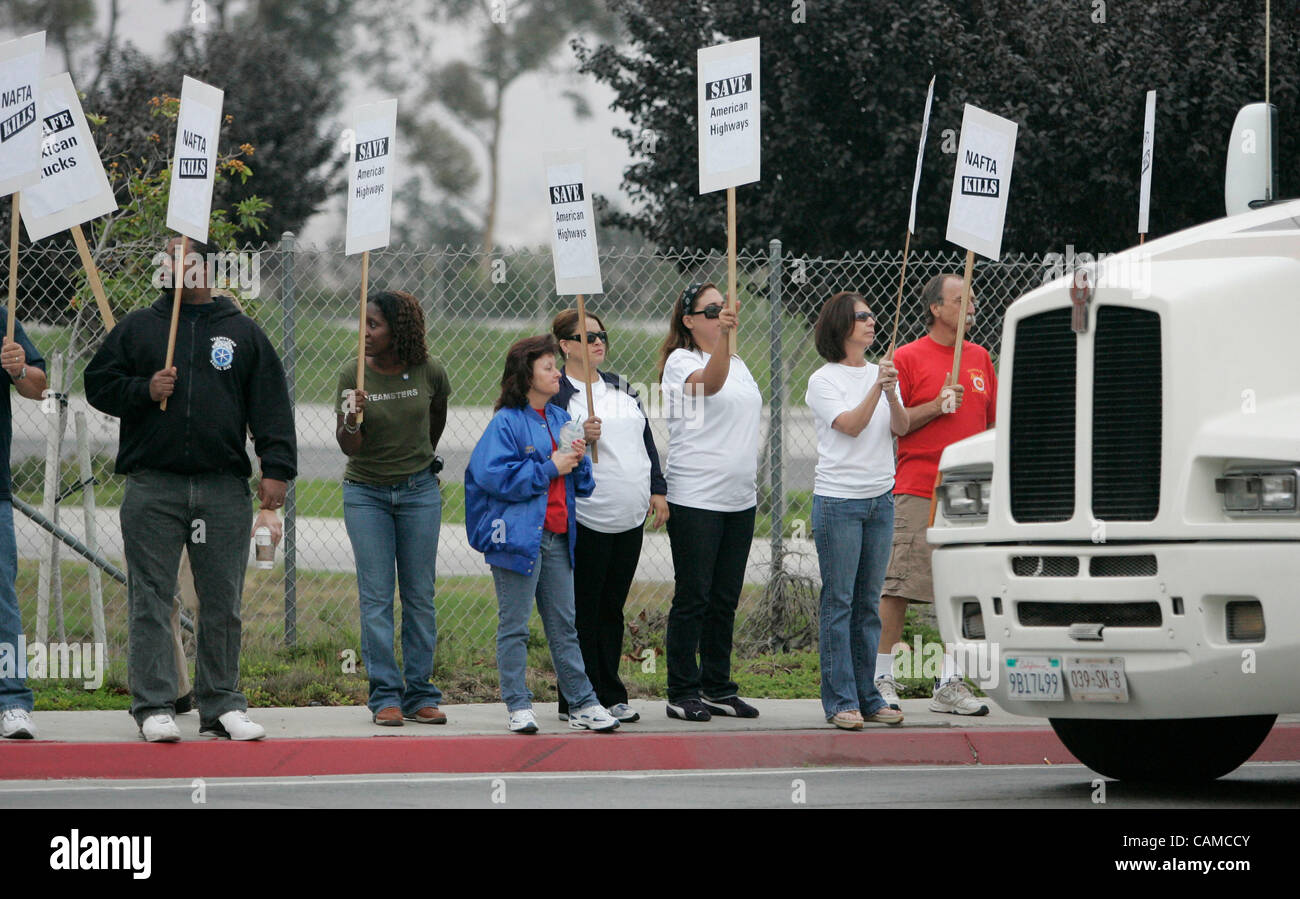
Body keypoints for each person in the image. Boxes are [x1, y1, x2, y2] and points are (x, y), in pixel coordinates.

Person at [85, 236, 297, 742]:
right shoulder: (139, 328)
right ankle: (154, 706)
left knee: (221, 600)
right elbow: (98, 383)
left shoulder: (242, 333)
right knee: (152, 597)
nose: (177, 266)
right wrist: (144, 390)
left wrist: (277, 468)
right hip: (152, 486)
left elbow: (271, 405)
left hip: (222, 488)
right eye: (168, 258)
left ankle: (222, 705)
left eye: (187, 258)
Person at [465, 335, 619, 734]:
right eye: (548, 367)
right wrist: (550, 467)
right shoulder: (506, 423)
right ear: (526, 375)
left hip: (557, 536)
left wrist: (580, 459)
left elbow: (580, 486)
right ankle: (518, 704)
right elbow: (493, 477)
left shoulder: (558, 419)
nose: (556, 373)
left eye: (555, 366)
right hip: (518, 540)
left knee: (564, 625)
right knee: (515, 625)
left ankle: (583, 703)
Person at [877, 273, 996, 715]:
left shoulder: (982, 357)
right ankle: (882, 676)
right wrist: (937, 404)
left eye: (973, 298)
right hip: (918, 487)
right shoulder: (907, 358)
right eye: (961, 299)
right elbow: (898, 424)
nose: (972, 306)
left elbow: (993, 424)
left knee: (964, 589)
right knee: (900, 584)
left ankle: (949, 681)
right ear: (936, 308)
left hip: (970, 493)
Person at [336, 289, 450, 726]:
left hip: (419, 492)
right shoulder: (353, 374)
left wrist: (419, 460)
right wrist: (353, 418)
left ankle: (420, 693)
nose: (364, 332)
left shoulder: (429, 371)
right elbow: (350, 446)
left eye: (374, 325)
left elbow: (434, 421)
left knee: (420, 597)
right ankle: (385, 694)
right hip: (366, 494)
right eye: (363, 323)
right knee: (377, 598)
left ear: (397, 330)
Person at [549, 308, 668, 724]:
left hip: (629, 515)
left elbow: (645, 440)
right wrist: (581, 435)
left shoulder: (620, 388)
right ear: (565, 345)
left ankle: (610, 690)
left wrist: (657, 488)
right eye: (588, 336)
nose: (599, 342)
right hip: (587, 517)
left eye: (602, 335)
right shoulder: (559, 394)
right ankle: (577, 697)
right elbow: (550, 445)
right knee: (584, 607)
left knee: (612, 607)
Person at [657, 282, 762, 721]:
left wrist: (727, 342)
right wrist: (726, 339)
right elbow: (709, 387)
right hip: (697, 497)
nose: (720, 314)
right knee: (694, 596)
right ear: (688, 320)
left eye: (724, 308)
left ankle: (718, 685)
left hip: (739, 499)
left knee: (725, 597)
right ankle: (682, 690)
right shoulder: (681, 362)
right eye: (711, 309)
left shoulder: (737, 362)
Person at [806, 292, 909, 729]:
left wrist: (890, 392)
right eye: (862, 316)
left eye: (871, 314)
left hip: (880, 499)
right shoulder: (823, 380)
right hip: (839, 503)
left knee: (869, 603)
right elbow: (850, 426)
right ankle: (840, 700)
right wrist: (876, 389)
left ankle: (868, 695)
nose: (871, 322)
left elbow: (901, 428)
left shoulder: (882, 374)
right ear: (841, 326)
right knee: (840, 602)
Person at [0, 316, 49, 739]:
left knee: (1, 597)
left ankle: (12, 701)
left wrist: (18, 369)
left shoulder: (1, 319)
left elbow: (39, 386)